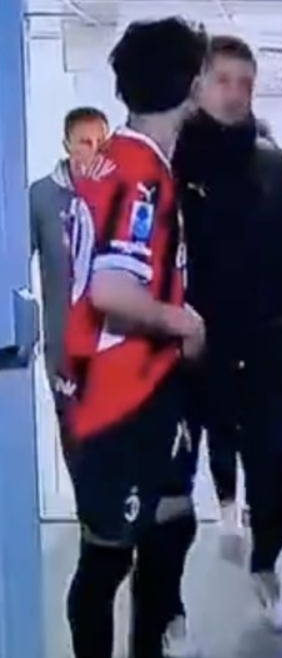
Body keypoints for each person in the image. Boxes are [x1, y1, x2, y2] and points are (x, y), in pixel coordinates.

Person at [59, 18, 208, 658]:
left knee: (173, 519)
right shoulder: (139, 173)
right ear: (192, 84)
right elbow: (114, 294)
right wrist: (185, 321)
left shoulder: (125, 160)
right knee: (108, 552)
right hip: (119, 396)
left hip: (154, 389)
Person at [174, 34, 282, 633]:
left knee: (279, 472)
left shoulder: (276, 168)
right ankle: (166, 610)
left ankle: (266, 564)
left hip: (263, 350)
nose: (235, 94)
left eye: (245, 83)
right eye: (223, 80)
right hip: (185, 354)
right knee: (169, 491)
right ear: (198, 87)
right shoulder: (172, 166)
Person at [29, 106, 109, 467]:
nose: (94, 151)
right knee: (75, 436)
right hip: (64, 344)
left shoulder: (120, 195)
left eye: (101, 143)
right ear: (67, 145)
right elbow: (15, 260)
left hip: (111, 339)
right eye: (85, 142)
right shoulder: (41, 197)